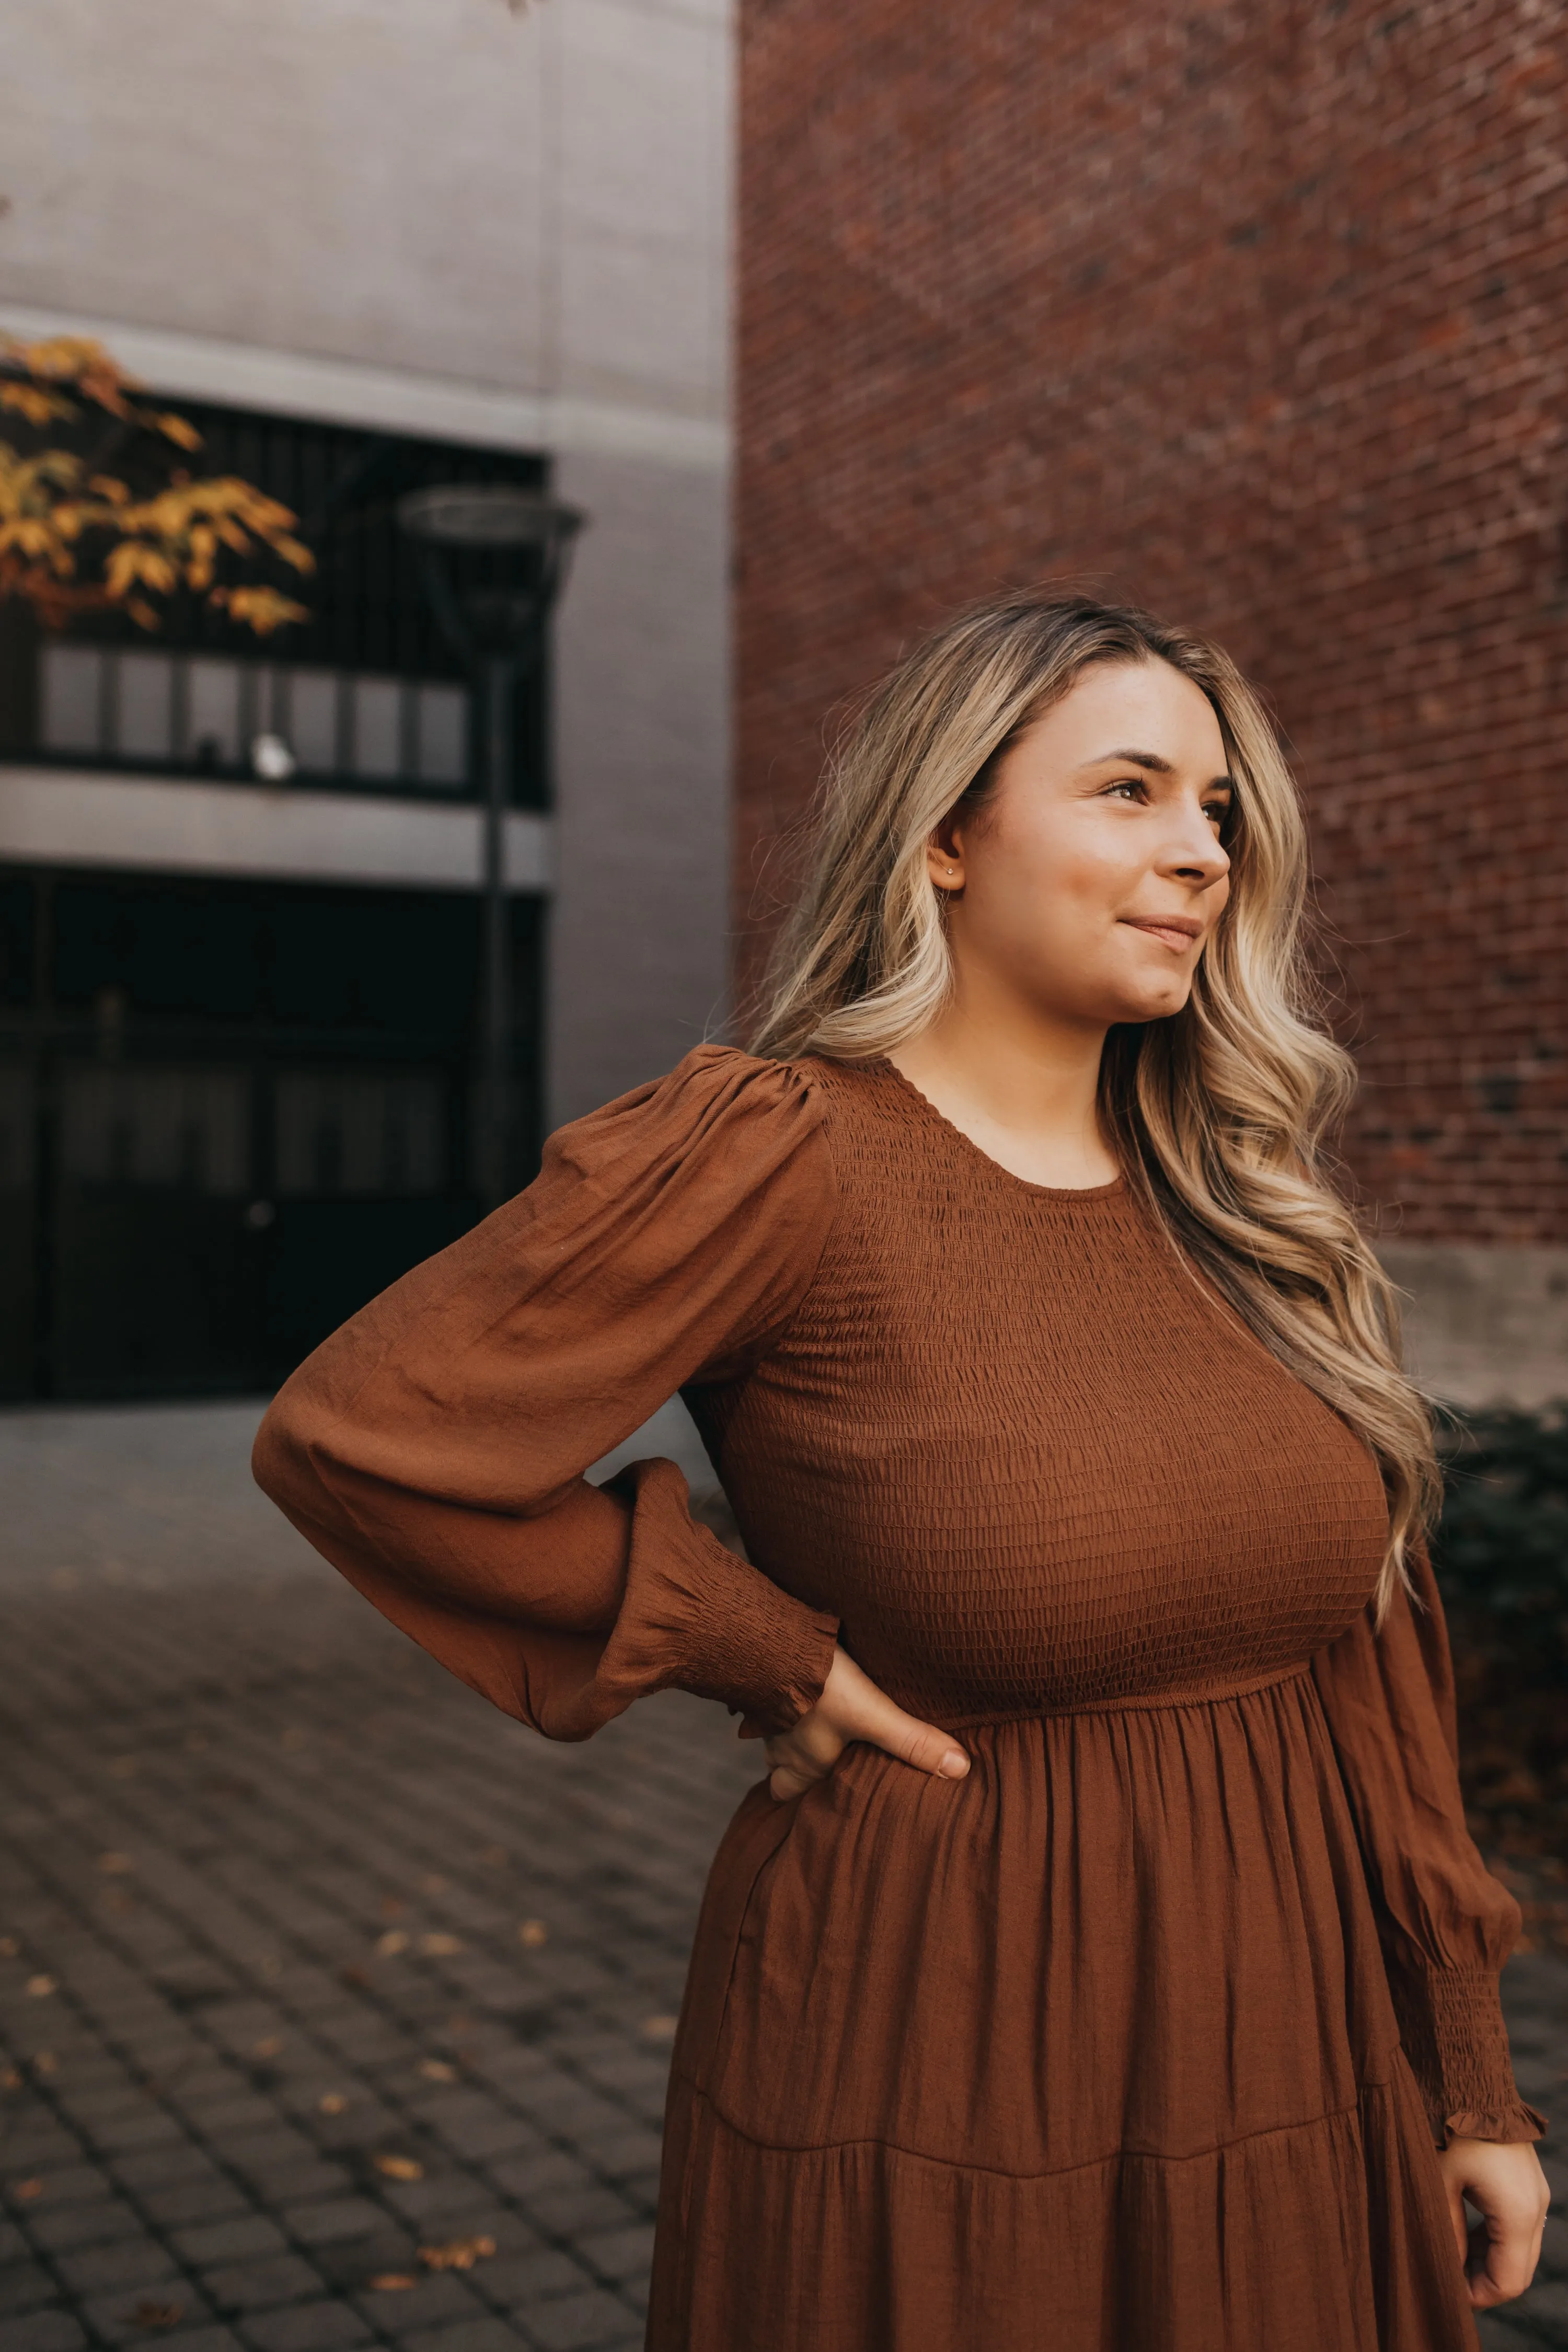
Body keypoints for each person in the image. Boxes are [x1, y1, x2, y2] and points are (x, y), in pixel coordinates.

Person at [253, 593, 1549, 2350]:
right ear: (945, 833)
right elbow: (366, 1442)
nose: (1201, 854)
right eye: (1131, 791)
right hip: (948, 2036)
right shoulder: (787, 1152)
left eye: (1222, 811)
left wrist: (1467, 2075)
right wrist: (756, 1644)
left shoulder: (1237, 1197)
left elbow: (1367, 1650)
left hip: (1303, 2039)